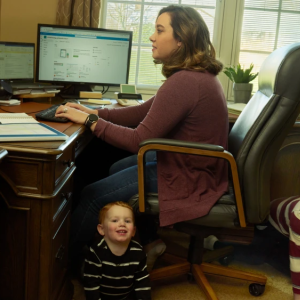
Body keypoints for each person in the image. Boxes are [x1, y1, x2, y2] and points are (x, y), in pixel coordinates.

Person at [56, 5, 229, 272]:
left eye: (160, 30)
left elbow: (140, 139)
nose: (151, 37)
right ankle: (149, 240)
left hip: (188, 175)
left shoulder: (186, 81)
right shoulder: (195, 76)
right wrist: (93, 111)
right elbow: (141, 112)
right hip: (192, 167)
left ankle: (63, 266)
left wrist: (91, 122)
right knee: (115, 167)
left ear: (181, 39)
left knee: (92, 195)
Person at [83, 201, 151, 300]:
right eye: (115, 220)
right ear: (102, 229)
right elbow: (91, 284)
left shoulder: (138, 251)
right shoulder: (96, 251)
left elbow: (142, 281)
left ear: (133, 231)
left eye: (127, 221)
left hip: (127, 296)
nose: (122, 224)